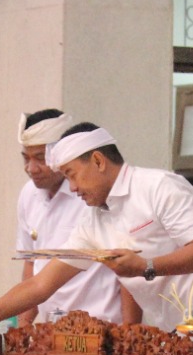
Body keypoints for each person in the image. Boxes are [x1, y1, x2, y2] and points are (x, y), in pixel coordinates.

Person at [0, 121, 193, 337]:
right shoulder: (93, 221)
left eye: (72, 175)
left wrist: (146, 267)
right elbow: (40, 285)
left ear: (97, 160)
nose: (72, 187)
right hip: (176, 330)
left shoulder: (159, 186)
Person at [14, 108, 126, 325]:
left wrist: (130, 331)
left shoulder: (91, 193)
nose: (31, 168)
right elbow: (31, 264)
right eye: (25, 158)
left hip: (100, 324)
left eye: (39, 158)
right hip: (51, 327)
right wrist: (23, 327)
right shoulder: (28, 195)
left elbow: (127, 272)